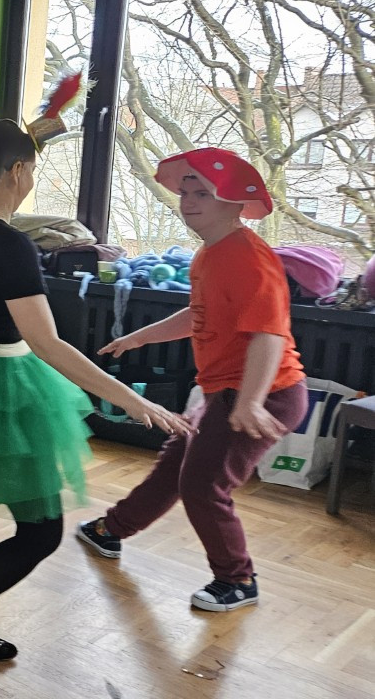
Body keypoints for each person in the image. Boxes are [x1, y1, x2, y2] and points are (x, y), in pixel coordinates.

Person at [0, 117, 191, 660]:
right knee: (41, 532)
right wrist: (131, 398)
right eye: (32, 170)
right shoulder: (10, 246)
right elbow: (47, 344)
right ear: (17, 170)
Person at [76, 147, 308, 613]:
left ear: (234, 202)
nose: (188, 202)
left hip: (265, 394)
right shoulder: (211, 253)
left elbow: (268, 333)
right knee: (176, 464)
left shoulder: (248, 257)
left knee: (204, 486)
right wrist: (140, 337)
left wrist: (250, 401)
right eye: (185, 192)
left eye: (202, 193)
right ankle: (110, 530)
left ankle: (238, 579)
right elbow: (198, 313)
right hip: (228, 392)